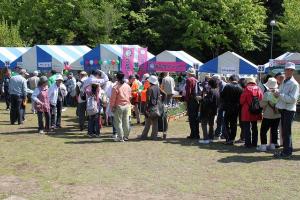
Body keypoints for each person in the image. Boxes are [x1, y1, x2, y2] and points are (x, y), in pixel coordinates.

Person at [274, 62, 299, 158]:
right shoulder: (284, 81)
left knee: (286, 132)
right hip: (284, 109)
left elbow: (293, 99)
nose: (289, 71)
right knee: (285, 131)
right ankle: (288, 151)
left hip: (289, 109)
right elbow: (281, 93)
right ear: (285, 70)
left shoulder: (294, 84)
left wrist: (279, 95)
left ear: (293, 71)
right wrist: (277, 92)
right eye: (287, 69)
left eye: (291, 70)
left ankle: (286, 153)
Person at [257, 77, 281, 151]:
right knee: (274, 130)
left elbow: (261, 105)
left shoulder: (267, 94)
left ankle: (263, 146)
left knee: (263, 131)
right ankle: (273, 145)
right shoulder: (279, 92)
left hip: (268, 115)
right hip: (277, 114)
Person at [240, 77, 263, 148]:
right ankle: (254, 143)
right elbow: (261, 99)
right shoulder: (258, 88)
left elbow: (241, 101)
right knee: (254, 127)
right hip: (255, 110)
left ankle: (248, 143)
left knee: (247, 127)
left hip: (247, 110)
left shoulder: (246, 89)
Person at [221, 74, 243, 145]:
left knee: (226, 123)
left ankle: (228, 138)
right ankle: (232, 138)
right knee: (234, 123)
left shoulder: (227, 86)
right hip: (236, 107)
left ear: (230, 80)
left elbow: (222, 95)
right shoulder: (240, 87)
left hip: (228, 107)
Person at [110, 72, 132, 142]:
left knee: (118, 122)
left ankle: (120, 137)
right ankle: (126, 136)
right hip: (127, 105)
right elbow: (130, 96)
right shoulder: (127, 86)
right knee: (126, 121)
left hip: (119, 105)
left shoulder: (115, 87)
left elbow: (113, 98)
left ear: (117, 78)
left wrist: (112, 107)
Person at [140, 75, 161, 140]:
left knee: (147, 123)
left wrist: (145, 108)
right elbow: (159, 97)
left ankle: (144, 136)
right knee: (155, 123)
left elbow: (148, 99)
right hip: (155, 106)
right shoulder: (157, 87)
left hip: (149, 107)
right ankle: (154, 136)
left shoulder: (149, 88)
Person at [199, 79, 219, 144]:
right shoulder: (217, 91)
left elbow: (208, 101)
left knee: (204, 124)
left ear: (210, 84)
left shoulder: (211, 91)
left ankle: (206, 139)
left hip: (207, 111)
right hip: (213, 110)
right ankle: (211, 138)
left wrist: (202, 99)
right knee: (211, 124)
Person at [185, 68, 200, 139]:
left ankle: (193, 134)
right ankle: (196, 134)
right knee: (196, 118)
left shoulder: (189, 80)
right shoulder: (196, 80)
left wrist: (186, 100)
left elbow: (188, 92)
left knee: (191, 118)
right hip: (196, 100)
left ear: (189, 73)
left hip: (191, 101)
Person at [212, 74, 227, 139]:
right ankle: (221, 134)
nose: (214, 82)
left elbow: (221, 96)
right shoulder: (221, 84)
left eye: (214, 80)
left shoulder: (223, 85)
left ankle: (219, 134)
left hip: (223, 105)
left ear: (217, 79)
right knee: (221, 119)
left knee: (221, 119)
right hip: (221, 104)